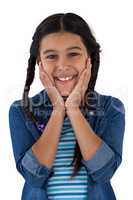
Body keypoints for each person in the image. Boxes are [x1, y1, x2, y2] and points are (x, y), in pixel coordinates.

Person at [8, 12, 125, 200]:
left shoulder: (112, 108)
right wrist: (58, 111)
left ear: (90, 59)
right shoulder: (20, 111)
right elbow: (33, 176)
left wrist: (73, 110)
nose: (62, 65)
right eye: (51, 56)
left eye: (73, 54)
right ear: (40, 64)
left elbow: (104, 172)